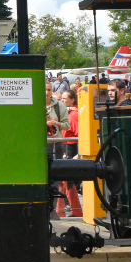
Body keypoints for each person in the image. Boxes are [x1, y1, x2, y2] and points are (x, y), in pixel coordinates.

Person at [56, 89, 83, 218]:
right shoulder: (67, 112)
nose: (62, 100)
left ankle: (74, 208)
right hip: (64, 146)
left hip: (70, 148)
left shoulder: (74, 115)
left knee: (68, 180)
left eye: (65, 98)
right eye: (61, 99)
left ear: (72, 100)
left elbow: (80, 135)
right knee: (64, 180)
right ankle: (68, 208)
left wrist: (79, 153)